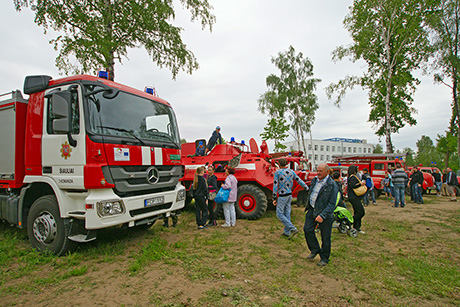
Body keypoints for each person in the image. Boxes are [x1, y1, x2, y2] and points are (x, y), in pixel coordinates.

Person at [303, 163, 338, 266]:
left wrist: (322, 215)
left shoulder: (332, 184)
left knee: (325, 237)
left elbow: (332, 203)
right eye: (317, 170)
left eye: (320, 171)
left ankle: (324, 258)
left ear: (327, 172)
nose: (318, 173)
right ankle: (315, 249)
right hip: (313, 210)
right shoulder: (315, 180)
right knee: (307, 229)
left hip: (325, 214)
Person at [272, 158, 309, 238]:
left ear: (279, 164)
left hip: (282, 195)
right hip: (289, 195)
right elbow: (299, 180)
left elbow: (275, 185)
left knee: (279, 214)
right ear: (286, 164)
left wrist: (274, 197)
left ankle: (292, 228)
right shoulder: (291, 172)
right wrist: (306, 187)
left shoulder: (277, 172)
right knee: (287, 213)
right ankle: (287, 232)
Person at [347, 165, 366, 234]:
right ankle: (351, 221)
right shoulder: (352, 177)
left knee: (357, 212)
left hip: (354, 197)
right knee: (361, 212)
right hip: (354, 197)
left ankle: (356, 227)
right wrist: (360, 184)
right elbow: (353, 186)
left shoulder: (350, 177)